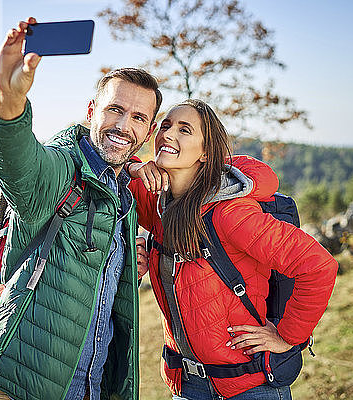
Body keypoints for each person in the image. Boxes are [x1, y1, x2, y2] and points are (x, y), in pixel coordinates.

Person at [0, 17, 159, 400]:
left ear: (149, 131)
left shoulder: (123, 193)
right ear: (91, 111)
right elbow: (16, 159)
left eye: (138, 117)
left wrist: (120, 268)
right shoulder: (60, 170)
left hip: (90, 387)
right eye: (114, 110)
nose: (124, 126)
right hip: (20, 385)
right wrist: (9, 101)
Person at [126, 99, 338, 399]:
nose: (169, 134)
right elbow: (107, 163)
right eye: (165, 125)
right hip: (187, 387)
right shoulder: (157, 205)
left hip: (250, 388)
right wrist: (135, 167)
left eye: (185, 129)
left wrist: (287, 337)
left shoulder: (230, 214)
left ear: (205, 153)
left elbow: (318, 266)